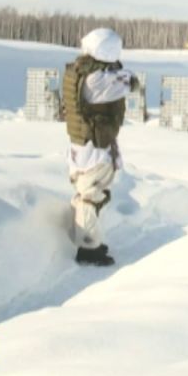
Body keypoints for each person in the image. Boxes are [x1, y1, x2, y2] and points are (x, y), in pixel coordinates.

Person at [62, 28, 139, 266]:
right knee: (91, 196)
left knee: (86, 193)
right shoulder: (96, 79)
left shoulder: (78, 71)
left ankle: (87, 236)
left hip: (81, 144)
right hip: (93, 146)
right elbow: (130, 83)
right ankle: (88, 247)